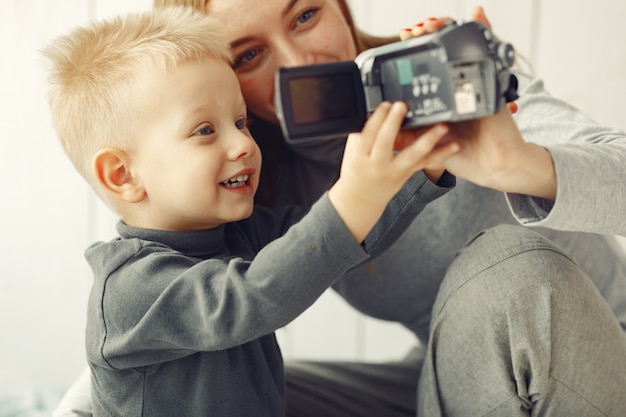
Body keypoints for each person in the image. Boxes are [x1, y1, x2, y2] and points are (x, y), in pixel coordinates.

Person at [54, 1, 626, 416]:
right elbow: (189, 329)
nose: (297, 62)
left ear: (340, 7)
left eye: (305, 15)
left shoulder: (449, 83)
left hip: (591, 356)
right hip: (452, 371)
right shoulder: (247, 188)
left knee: (514, 264)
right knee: (244, 389)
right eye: (249, 54)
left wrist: (514, 164)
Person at [42, 6, 461, 416]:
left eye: (241, 123)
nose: (243, 144)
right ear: (123, 175)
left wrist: (421, 169)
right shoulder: (131, 288)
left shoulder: (240, 234)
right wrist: (352, 195)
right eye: (205, 130)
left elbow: (347, 237)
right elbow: (253, 297)